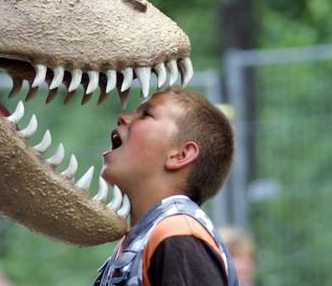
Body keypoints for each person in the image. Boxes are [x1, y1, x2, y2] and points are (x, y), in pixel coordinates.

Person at [94, 87, 239, 286]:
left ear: (180, 155)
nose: (124, 117)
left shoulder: (178, 234)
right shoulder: (145, 239)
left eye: (146, 114)